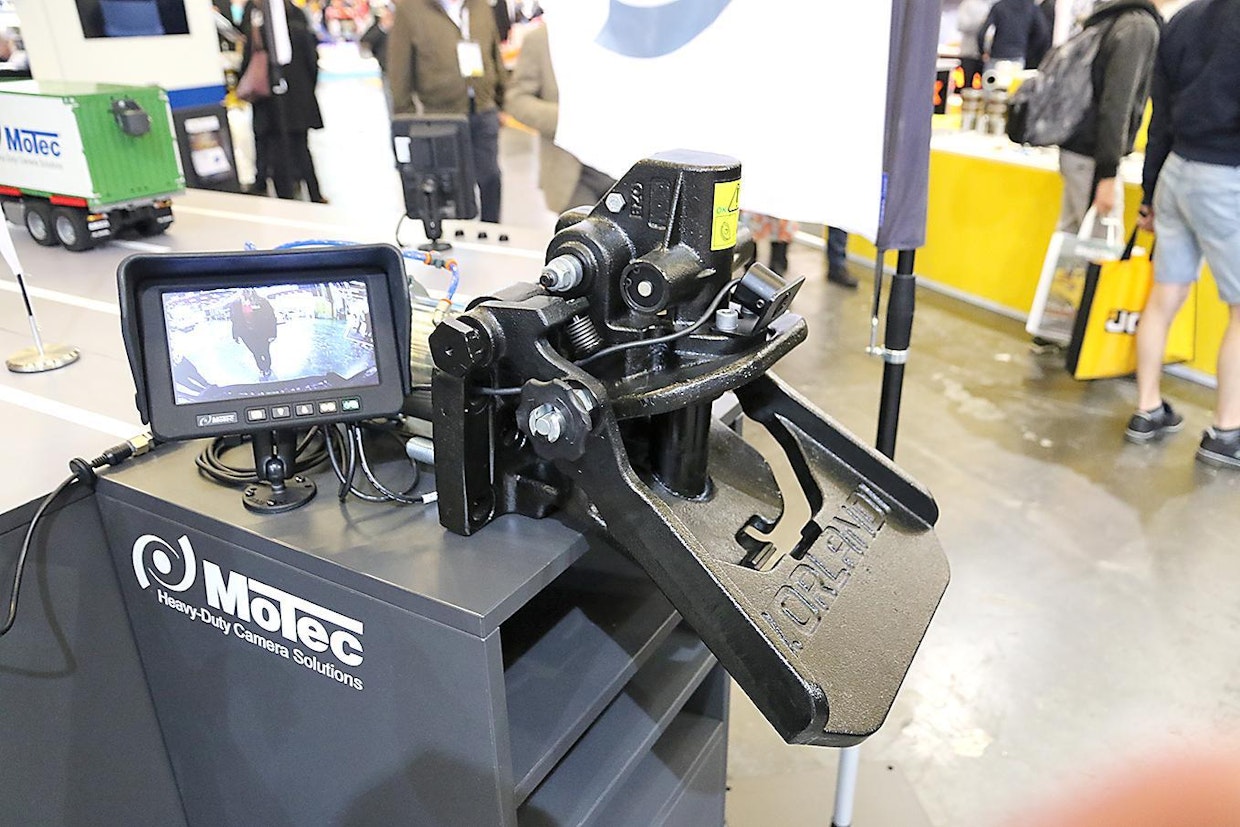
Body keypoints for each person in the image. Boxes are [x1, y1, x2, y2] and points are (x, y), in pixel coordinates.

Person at [1126, 0, 1240, 467]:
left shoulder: (1184, 19)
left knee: (1164, 296)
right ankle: (1226, 432)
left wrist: (1149, 193)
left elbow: (1161, 119)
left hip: (1175, 173)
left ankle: (1146, 409)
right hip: (1226, 179)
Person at [387, 0, 506, 223]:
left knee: (490, 177)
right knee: (453, 186)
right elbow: (399, 69)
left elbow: (494, 51)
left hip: (484, 107)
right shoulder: (410, 9)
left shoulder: (479, 5)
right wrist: (407, 118)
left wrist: (501, 99)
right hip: (441, 114)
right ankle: (457, 233)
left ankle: (491, 228)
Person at [1054, 0, 1162, 236]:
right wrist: (1108, 174)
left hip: (1078, 147)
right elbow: (1117, 104)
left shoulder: (1111, 16)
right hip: (1093, 155)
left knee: (1070, 238)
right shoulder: (1138, 26)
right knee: (1101, 244)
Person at [504, 21, 614, 213]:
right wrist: (566, 119)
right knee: (583, 229)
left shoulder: (625, 34)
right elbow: (517, 99)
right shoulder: (540, 40)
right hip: (572, 174)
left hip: (625, 169)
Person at [240, 0, 328, 202]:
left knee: (275, 149)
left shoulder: (258, 33)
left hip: (269, 103)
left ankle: (281, 192)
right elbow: (312, 65)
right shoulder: (300, 29)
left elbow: (246, 65)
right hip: (300, 100)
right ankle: (314, 192)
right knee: (302, 148)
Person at [977, 0, 1051, 68]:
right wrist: (1028, 51)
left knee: (991, 77)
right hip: (1018, 57)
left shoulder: (999, 6)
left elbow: (982, 33)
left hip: (997, 55)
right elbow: (1042, 32)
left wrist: (983, 52)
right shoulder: (1032, 8)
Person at [229, 288, 279, 377]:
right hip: (246, 334)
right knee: (256, 352)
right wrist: (235, 335)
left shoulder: (262, 301)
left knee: (265, 351)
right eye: (243, 290)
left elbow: (272, 318)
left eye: (247, 289)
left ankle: (267, 367)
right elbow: (234, 321)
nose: (245, 291)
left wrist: (273, 334)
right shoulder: (235, 304)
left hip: (262, 332)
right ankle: (262, 368)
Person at [956, 0, 993, 90]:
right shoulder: (968, 4)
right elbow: (962, 25)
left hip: (987, 54)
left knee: (987, 87)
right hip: (969, 52)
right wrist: (982, 23)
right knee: (966, 86)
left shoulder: (993, 4)